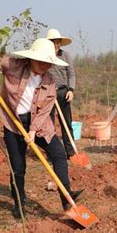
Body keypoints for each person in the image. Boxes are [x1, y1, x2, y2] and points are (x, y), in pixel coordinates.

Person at [0, 38, 84, 219]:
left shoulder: (50, 80)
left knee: (59, 154)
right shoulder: (12, 65)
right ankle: (19, 203)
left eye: (49, 62)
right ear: (32, 58)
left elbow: (45, 109)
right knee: (18, 167)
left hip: (40, 123)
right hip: (13, 123)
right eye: (42, 61)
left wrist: (32, 131)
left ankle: (66, 199)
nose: (45, 66)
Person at [47, 28, 76, 159]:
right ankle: (52, 153)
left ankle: (71, 152)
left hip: (63, 92)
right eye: (53, 42)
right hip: (47, 93)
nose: (55, 45)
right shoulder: (44, 56)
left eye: (57, 42)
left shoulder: (66, 56)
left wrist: (71, 90)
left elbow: (71, 74)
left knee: (66, 123)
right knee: (49, 124)